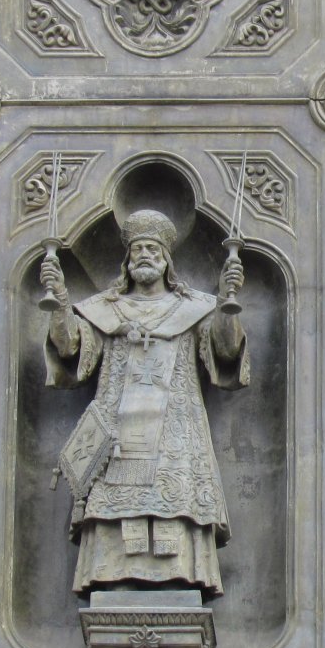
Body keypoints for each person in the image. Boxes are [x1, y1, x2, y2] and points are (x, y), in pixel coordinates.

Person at [41, 208, 247, 598]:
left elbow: (224, 350)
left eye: (153, 248)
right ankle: (113, 572)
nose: (145, 255)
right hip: (116, 432)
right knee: (115, 499)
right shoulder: (106, 310)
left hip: (175, 433)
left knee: (176, 496)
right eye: (137, 249)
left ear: (167, 259)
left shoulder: (194, 308)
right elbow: (71, 351)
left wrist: (226, 301)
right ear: (126, 259)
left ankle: (179, 573)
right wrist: (61, 302)